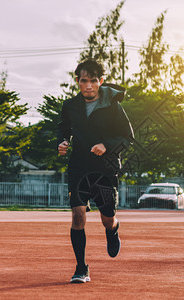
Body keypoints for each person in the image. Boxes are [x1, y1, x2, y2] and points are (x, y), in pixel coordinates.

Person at [58, 59, 134, 283]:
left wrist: (106, 145)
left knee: (107, 218)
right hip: (79, 167)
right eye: (84, 81)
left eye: (93, 81)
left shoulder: (113, 106)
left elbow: (128, 138)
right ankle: (81, 268)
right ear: (77, 81)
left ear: (101, 81)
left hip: (105, 169)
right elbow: (63, 128)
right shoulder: (70, 106)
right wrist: (62, 142)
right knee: (78, 214)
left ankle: (113, 229)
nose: (88, 85)